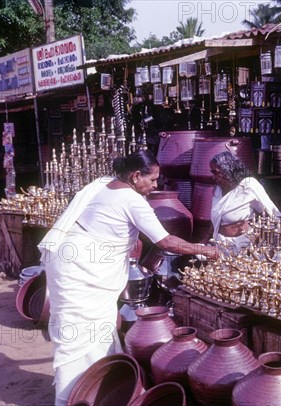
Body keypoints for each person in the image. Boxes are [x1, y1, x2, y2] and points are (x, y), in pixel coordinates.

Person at [37, 150, 218, 406]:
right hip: (80, 270)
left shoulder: (103, 184)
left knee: (93, 328)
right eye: (153, 179)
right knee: (78, 335)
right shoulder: (132, 201)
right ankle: (69, 397)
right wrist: (206, 250)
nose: (156, 186)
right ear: (135, 176)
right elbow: (165, 241)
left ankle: (96, 388)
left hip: (70, 263)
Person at [209, 150, 280, 251]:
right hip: (220, 244)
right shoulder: (218, 190)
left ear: (228, 170)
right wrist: (204, 241)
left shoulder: (249, 185)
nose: (213, 177)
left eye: (216, 173)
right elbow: (215, 220)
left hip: (243, 246)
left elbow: (273, 214)